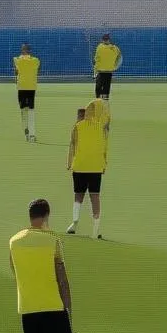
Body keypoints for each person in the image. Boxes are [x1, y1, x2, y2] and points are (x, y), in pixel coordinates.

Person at [9, 198, 82, 333]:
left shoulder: (14, 241)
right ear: (47, 216)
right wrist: (68, 307)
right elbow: (62, 279)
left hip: (28, 309)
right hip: (52, 307)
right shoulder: (53, 240)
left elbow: (14, 270)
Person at [65, 101, 110, 240]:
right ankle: (95, 231)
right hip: (96, 166)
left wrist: (69, 163)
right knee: (95, 197)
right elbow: (104, 147)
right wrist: (104, 165)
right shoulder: (100, 128)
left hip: (80, 166)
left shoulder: (77, 127)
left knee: (78, 195)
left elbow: (72, 146)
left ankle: (74, 222)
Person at [13, 43, 40, 142]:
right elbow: (37, 69)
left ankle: (26, 131)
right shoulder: (36, 61)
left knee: (23, 110)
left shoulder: (17, 60)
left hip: (21, 88)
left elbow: (16, 72)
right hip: (31, 88)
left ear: (22, 51)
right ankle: (32, 135)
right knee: (31, 110)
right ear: (30, 51)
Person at [93, 33, 122, 99]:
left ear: (109, 40)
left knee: (104, 88)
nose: (105, 41)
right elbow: (97, 60)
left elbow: (96, 60)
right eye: (105, 39)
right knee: (101, 87)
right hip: (102, 71)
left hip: (106, 71)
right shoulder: (113, 47)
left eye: (106, 39)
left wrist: (115, 66)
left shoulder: (112, 48)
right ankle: (100, 101)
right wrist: (115, 66)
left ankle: (103, 101)